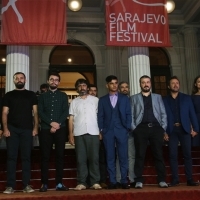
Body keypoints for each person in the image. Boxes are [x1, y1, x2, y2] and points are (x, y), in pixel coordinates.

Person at [2, 72, 38, 194]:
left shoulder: (31, 95)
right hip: (12, 130)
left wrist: (35, 128)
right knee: (11, 158)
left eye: (21, 78)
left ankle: (26, 185)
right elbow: (4, 113)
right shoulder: (8, 95)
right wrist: (5, 129)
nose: (19, 80)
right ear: (14, 81)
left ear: (25, 80)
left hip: (27, 130)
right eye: (17, 78)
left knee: (26, 158)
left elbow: (35, 113)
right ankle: (10, 186)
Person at [130, 75, 168, 189]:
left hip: (156, 128)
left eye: (147, 82)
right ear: (140, 84)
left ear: (150, 84)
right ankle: (138, 180)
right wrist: (134, 129)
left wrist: (163, 128)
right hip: (140, 129)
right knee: (140, 155)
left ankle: (162, 180)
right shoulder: (134, 98)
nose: (146, 84)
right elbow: (131, 115)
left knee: (158, 155)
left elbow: (163, 114)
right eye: (143, 82)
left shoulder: (158, 97)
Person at [163, 76, 199, 187]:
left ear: (179, 85)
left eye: (177, 83)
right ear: (169, 86)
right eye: (173, 83)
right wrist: (163, 132)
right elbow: (161, 116)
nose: (175, 85)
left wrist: (196, 129)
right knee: (172, 155)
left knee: (187, 155)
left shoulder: (187, 98)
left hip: (185, 130)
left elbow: (192, 114)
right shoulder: (164, 100)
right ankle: (175, 179)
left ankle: (189, 179)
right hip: (171, 130)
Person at [98, 75, 131, 189]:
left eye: (116, 83)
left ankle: (124, 181)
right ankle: (112, 181)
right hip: (108, 131)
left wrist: (127, 127)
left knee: (123, 156)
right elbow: (100, 116)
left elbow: (128, 113)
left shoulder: (124, 98)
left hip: (122, 129)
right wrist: (102, 130)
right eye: (112, 83)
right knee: (110, 157)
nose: (114, 85)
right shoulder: (102, 100)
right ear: (107, 85)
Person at [38, 72, 69, 192]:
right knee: (45, 156)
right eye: (52, 79)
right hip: (46, 129)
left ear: (59, 82)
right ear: (48, 81)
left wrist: (57, 124)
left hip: (61, 129)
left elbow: (65, 111)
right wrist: (51, 123)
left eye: (56, 80)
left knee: (60, 156)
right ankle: (44, 183)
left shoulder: (63, 95)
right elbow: (40, 112)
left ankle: (59, 183)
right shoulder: (42, 96)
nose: (54, 81)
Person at [69, 79, 101, 190]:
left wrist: (100, 131)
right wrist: (70, 134)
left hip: (94, 132)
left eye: (84, 85)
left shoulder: (96, 100)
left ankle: (95, 182)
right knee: (80, 159)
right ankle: (82, 182)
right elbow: (71, 118)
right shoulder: (74, 102)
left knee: (94, 158)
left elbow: (100, 117)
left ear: (87, 87)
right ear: (77, 88)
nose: (82, 87)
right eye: (80, 86)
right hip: (78, 133)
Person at [116, 81, 136, 188]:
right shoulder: (115, 100)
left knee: (131, 156)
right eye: (122, 87)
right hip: (119, 132)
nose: (124, 89)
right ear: (119, 89)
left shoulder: (133, 100)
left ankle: (132, 179)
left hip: (131, 132)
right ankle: (119, 179)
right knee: (120, 156)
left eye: (126, 87)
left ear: (129, 89)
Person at [88, 84, 108, 188]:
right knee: (89, 158)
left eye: (94, 90)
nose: (92, 92)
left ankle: (102, 180)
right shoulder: (85, 102)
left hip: (100, 134)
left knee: (101, 158)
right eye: (90, 90)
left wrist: (101, 132)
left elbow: (105, 118)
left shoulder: (100, 102)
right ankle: (89, 181)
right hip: (88, 134)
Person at [191, 75, 200, 146]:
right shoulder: (192, 97)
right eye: (199, 82)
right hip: (196, 122)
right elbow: (190, 113)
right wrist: (192, 127)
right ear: (195, 84)